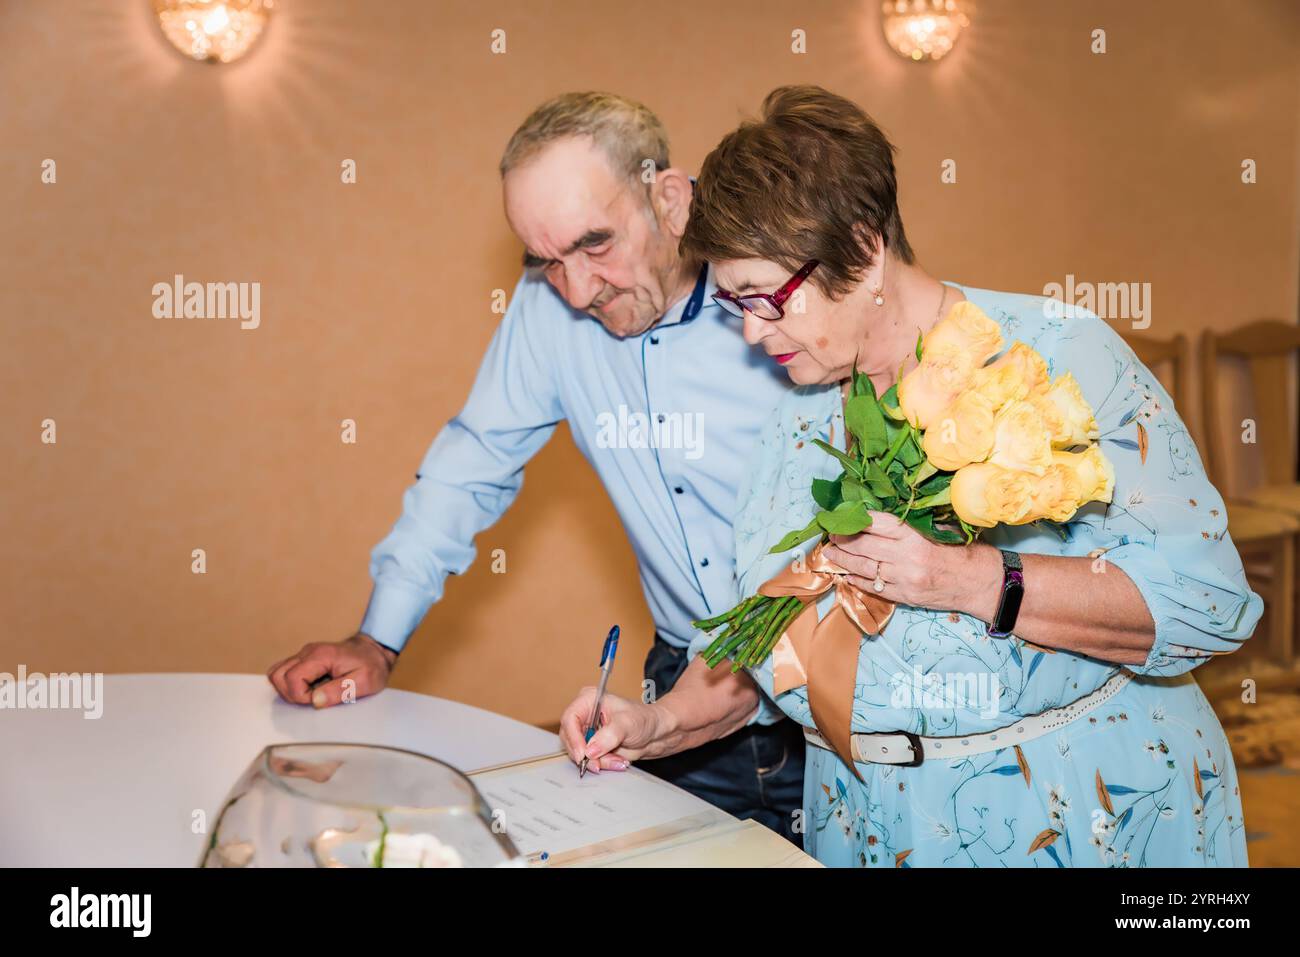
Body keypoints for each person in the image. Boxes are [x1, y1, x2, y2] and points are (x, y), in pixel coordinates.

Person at [560, 85, 1262, 866]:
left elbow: (1209, 603)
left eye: (766, 298)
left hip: (1070, 812)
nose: (755, 333)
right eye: (735, 305)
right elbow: (775, 648)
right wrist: (656, 724)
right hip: (864, 826)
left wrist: (975, 579)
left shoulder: (1055, 358)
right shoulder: (798, 423)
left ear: (862, 248)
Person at [266, 92, 804, 839]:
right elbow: (474, 460)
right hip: (680, 687)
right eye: (548, 261)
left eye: (595, 244)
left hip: (830, 679)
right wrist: (377, 638)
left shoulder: (782, 297)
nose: (578, 290)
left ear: (671, 198)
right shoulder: (547, 308)